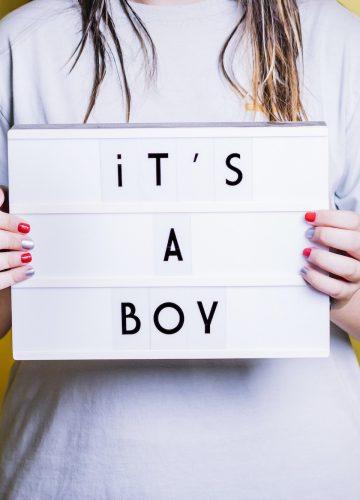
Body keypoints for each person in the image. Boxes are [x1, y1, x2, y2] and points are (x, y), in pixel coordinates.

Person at [1, 0, 360, 498]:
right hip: (72, 475)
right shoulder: (22, 42)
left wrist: (345, 290)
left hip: (304, 476)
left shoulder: (337, 39)